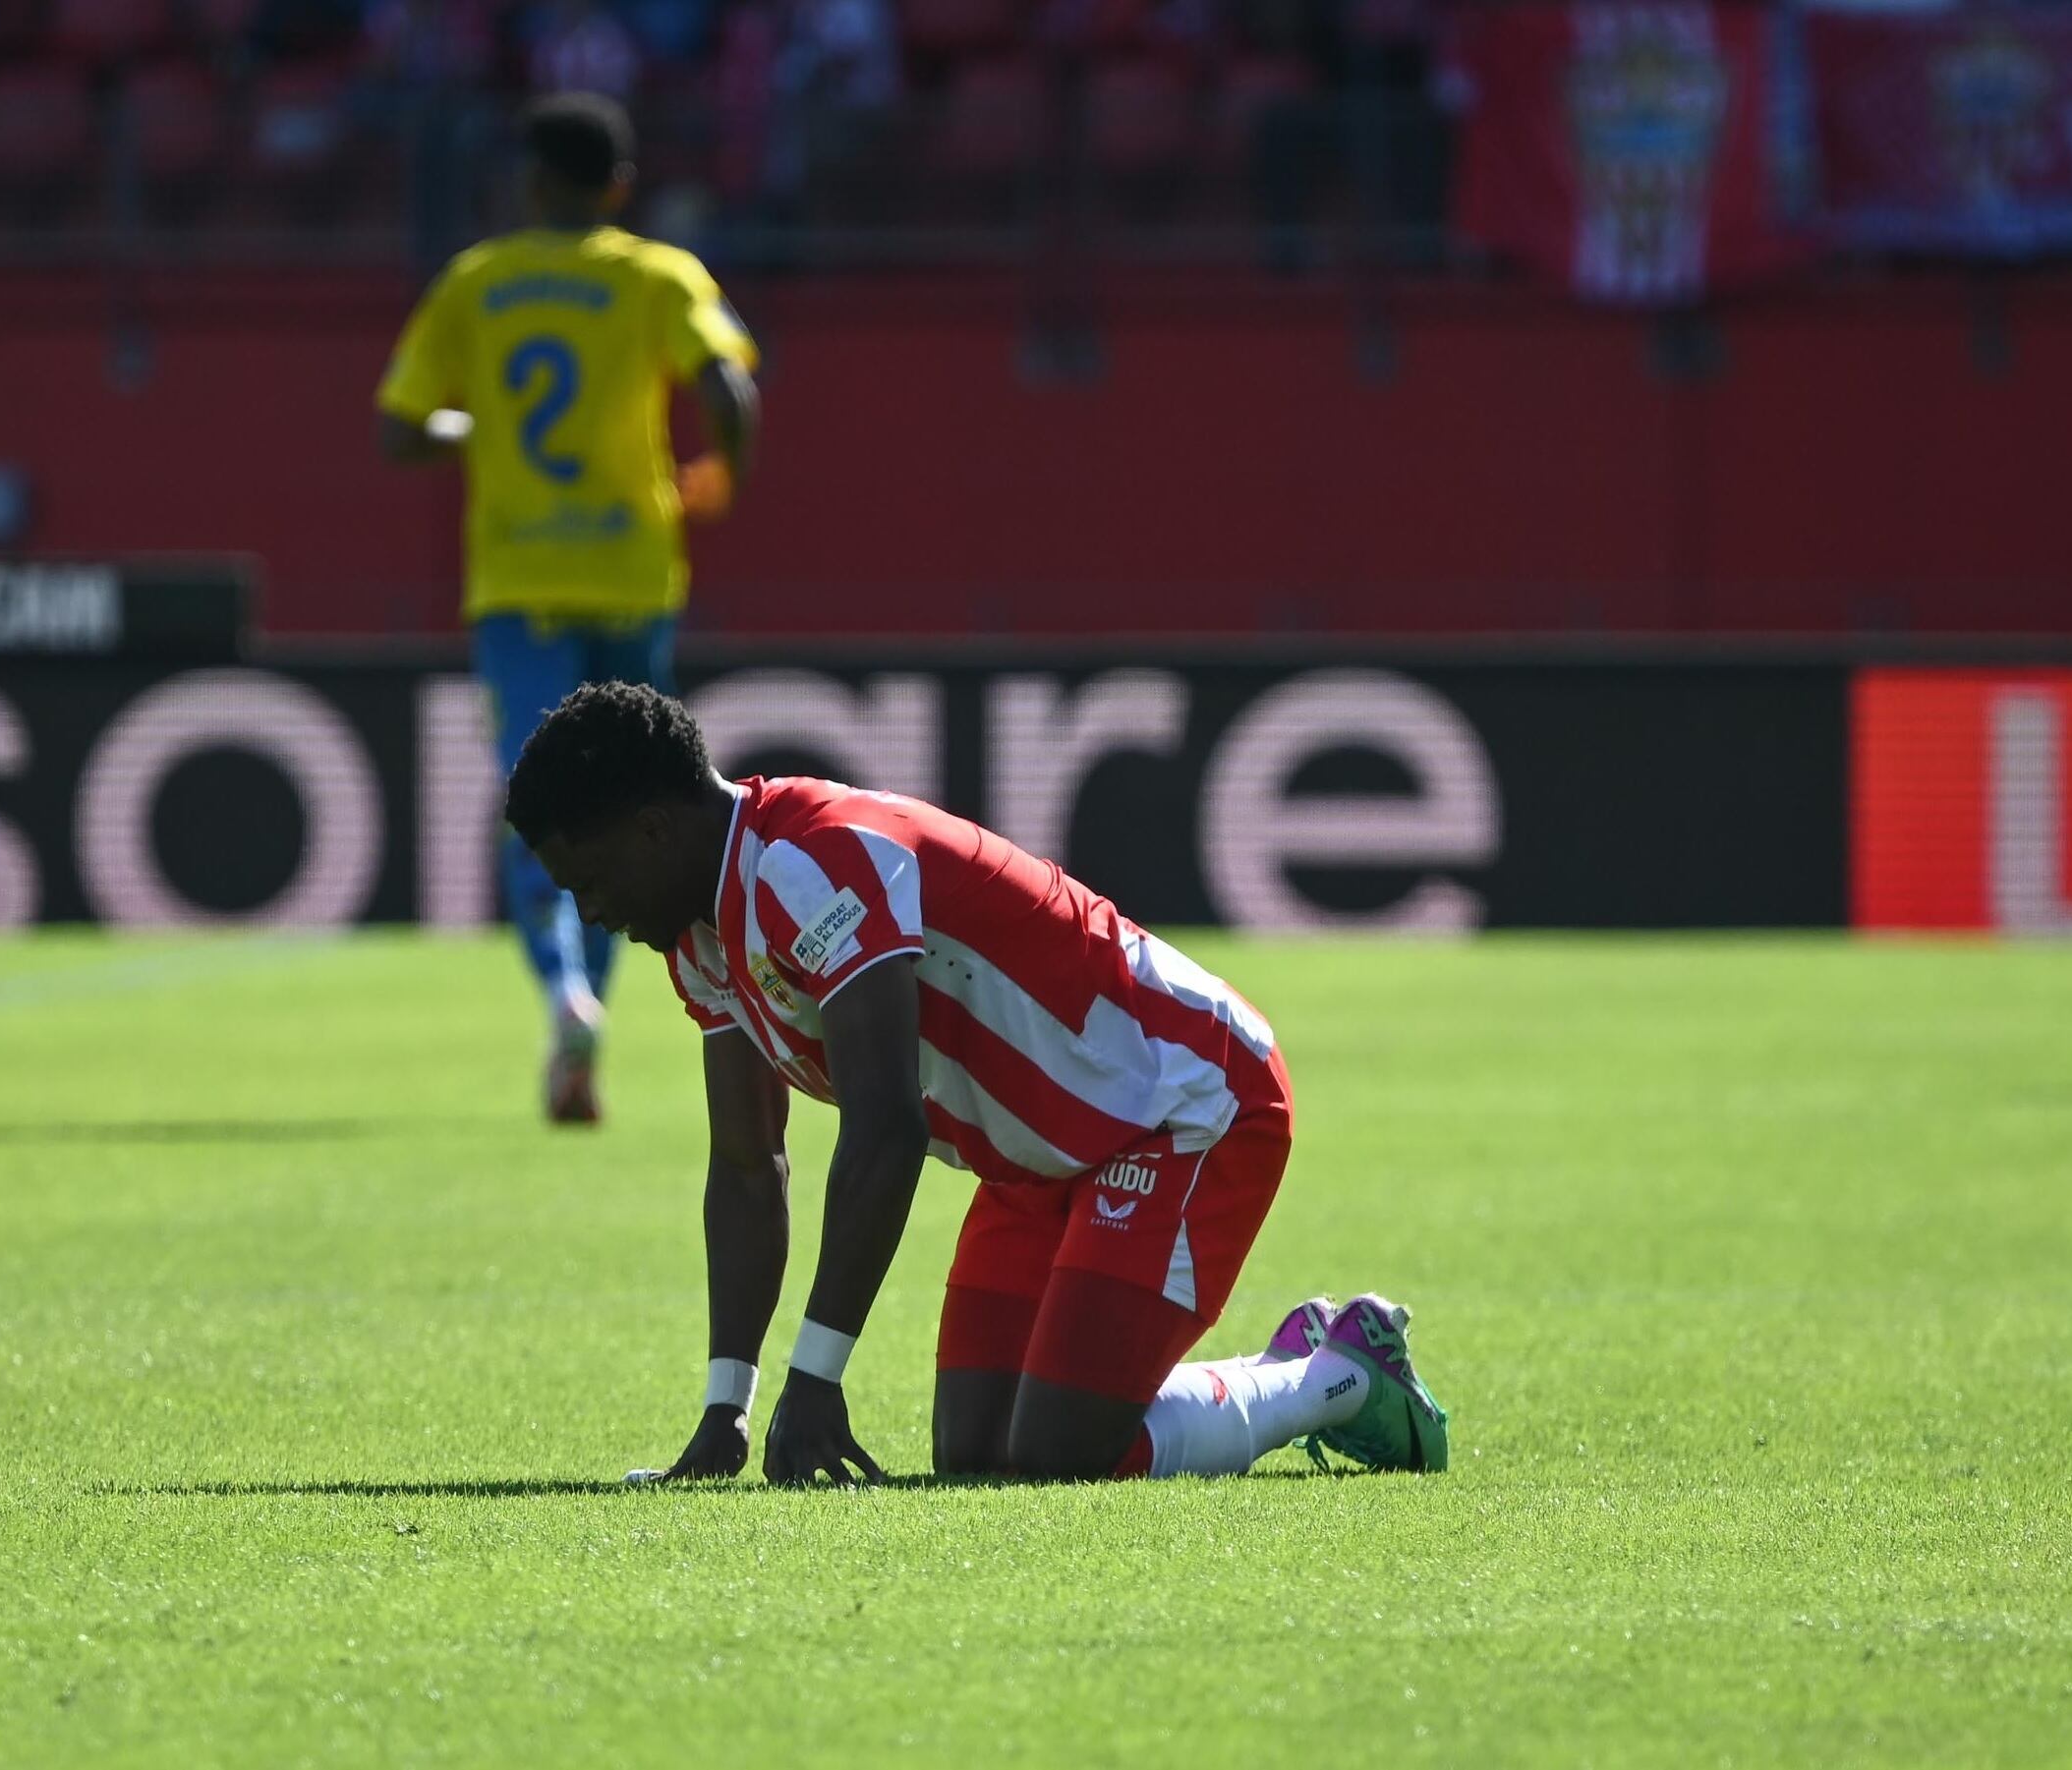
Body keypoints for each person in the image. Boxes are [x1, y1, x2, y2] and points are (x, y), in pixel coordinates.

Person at [502, 682, 1453, 1484]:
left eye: (588, 879)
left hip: (1182, 1102)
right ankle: (1280, 1369)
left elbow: (885, 1126)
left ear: (653, 828)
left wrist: (818, 1374)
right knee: (974, 1457)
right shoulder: (701, 938)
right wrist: (727, 1409)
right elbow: (751, 1164)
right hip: (1038, 1155)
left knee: (1057, 1455)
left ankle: (1335, 1373)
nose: (591, 912)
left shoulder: (812, 860)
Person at [375, 93, 762, 1124]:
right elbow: (728, 389)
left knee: (537, 796)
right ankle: (592, 999)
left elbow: (399, 429)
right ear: (619, 186)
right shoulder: (654, 275)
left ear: (531, 182)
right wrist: (721, 468)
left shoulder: (479, 280)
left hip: (519, 582)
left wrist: (481, 430)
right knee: (631, 807)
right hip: (631, 572)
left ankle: (564, 994)